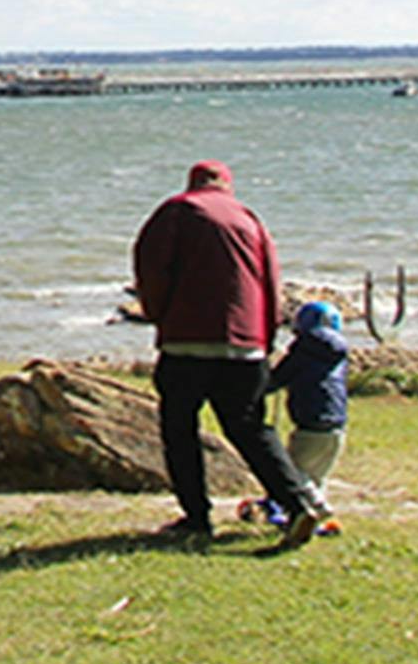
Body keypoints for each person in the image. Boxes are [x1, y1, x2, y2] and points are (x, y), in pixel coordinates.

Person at [131, 161, 330, 548]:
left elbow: (151, 267)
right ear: (227, 186)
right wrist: (266, 338)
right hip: (246, 345)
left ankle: (197, 517)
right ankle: (298, 503)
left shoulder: (176, 210)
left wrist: (158, 314)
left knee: (180, 431)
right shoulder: (249, 219)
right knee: (252, 430)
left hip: (186, 342)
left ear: (193, 183)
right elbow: (272, 281)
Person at [248, 300, 350, 536]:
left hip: (310, 421)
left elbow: (279, 378)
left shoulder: (304, 349)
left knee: (292, 473)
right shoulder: (339, 352)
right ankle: (312, 518)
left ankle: (317, 508)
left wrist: (258, 388)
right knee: (317, 474)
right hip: (337, 424)